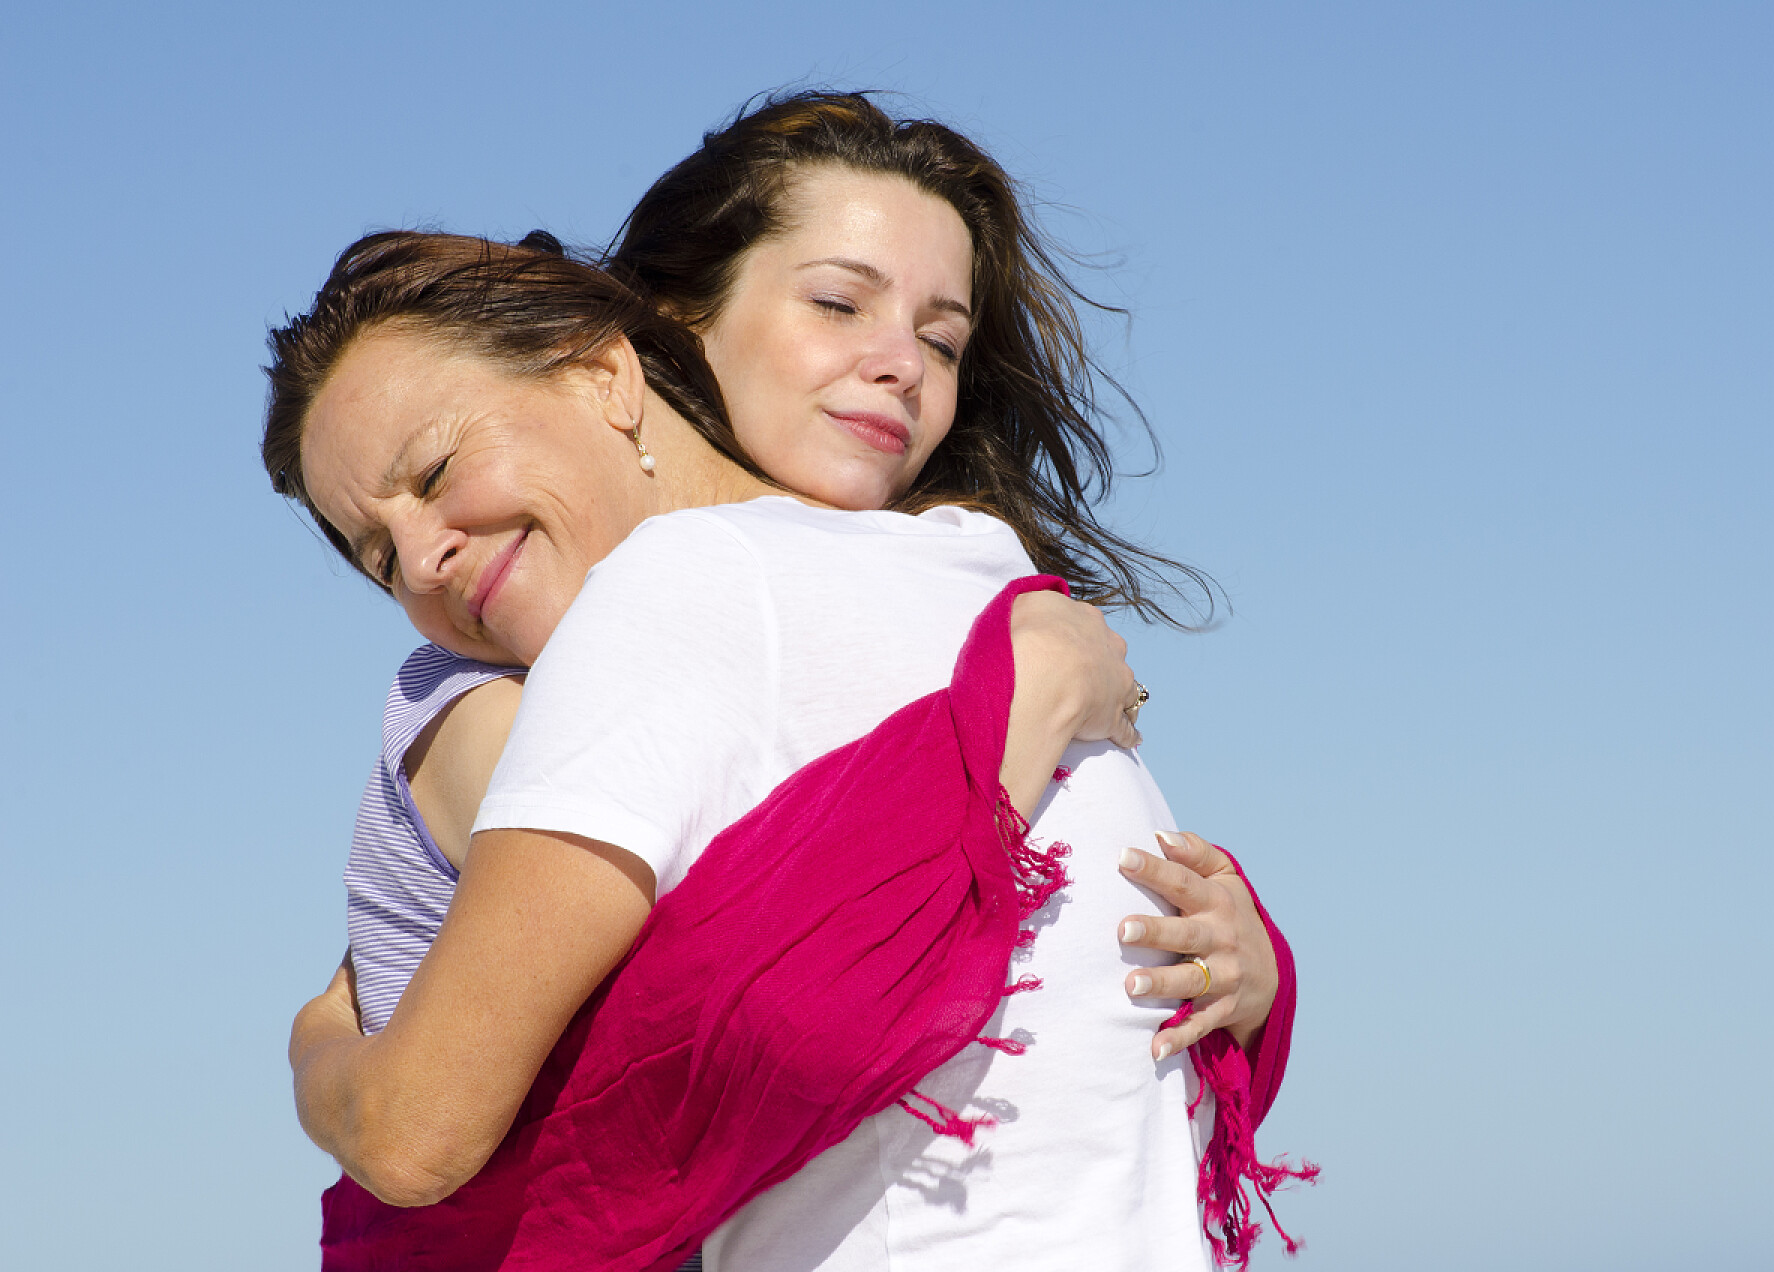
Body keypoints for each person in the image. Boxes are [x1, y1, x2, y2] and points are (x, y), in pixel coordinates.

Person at [273, 94, 1303, 1270]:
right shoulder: (648, 607)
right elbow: (724, 1016)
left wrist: (1248, 962)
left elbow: (1076, 1017)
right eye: (836, 301)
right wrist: (1004, 731)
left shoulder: (977, 566)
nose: (416, 559)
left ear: (605, 377)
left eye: (945, 339)